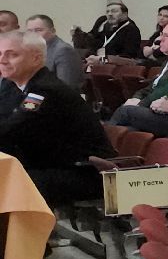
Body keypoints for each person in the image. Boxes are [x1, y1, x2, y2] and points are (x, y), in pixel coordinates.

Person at [0, 28, 111, 211]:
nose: (3, 60)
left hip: (83, 171)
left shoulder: (45, 90)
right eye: (0, 54)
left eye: (12, 55)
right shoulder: (15, 87)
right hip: (51, 163)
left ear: (35, 58)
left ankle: (22, 238)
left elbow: (12, 129)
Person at [22, 16, 83, 88]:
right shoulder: (31, 50)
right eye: (29, 31)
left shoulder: (64, 51)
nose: (33, 34)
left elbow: (65, 86)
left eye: (38, 30)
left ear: (53, 31)